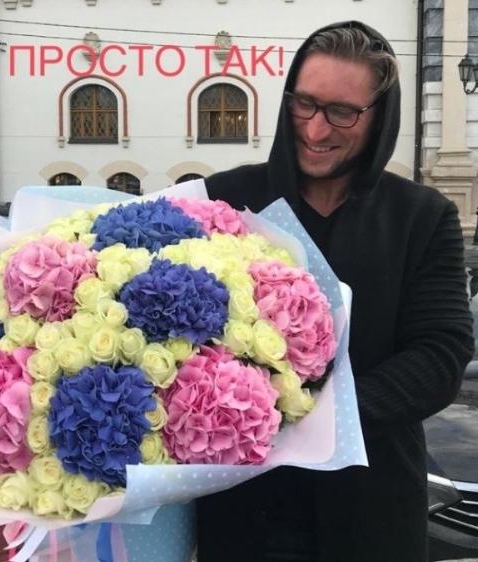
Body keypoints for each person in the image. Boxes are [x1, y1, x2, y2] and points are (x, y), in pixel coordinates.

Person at [197, 20, 474, 562]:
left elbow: (441, 354)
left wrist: (318, 416)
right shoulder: (224, 198)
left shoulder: (421, 217)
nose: (316, 129)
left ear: (379, 118)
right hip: (243, 512)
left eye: (342, 112)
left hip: (371, 510)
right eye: (305, 104)